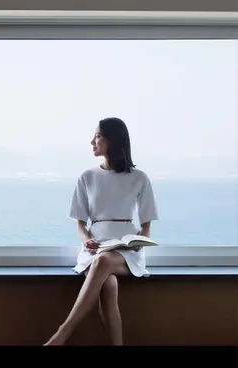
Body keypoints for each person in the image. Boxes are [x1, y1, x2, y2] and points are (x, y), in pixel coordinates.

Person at [44, 117, 159, 346]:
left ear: (112, 140)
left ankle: (62, 334)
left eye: (97, 136)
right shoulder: (87, 177)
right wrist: (86, 240)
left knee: (103, 262)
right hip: (95, 249)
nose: (92, 141)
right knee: (108, 285)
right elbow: (80, 225)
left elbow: (146, 226)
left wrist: (139, 241)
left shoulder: (139, 178)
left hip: (127, 253)